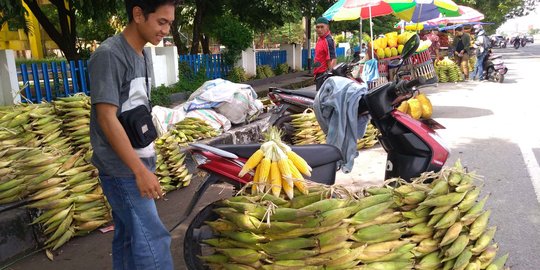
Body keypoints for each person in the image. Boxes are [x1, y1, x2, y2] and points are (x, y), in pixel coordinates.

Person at [88, 1, 180, 269]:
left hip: (138, 161)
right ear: (138, 14)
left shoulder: (141, 54)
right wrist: (139, 171)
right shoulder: (109, 55)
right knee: (153, 239)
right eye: (161, 22)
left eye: (169, 23)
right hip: (123, 169)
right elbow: (107, 118)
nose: (165, 30)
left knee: (129, 238)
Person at [313, 17, 337, 90]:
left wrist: (329, 77)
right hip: (319, 75)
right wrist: (315, 73)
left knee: (323, 100)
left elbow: (333, 59)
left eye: (322, 27)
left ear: (327, 27)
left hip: (324, 75)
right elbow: (318, 57)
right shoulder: (320, 39)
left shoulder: (328, 40)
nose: (319, 29)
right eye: (317, 27)